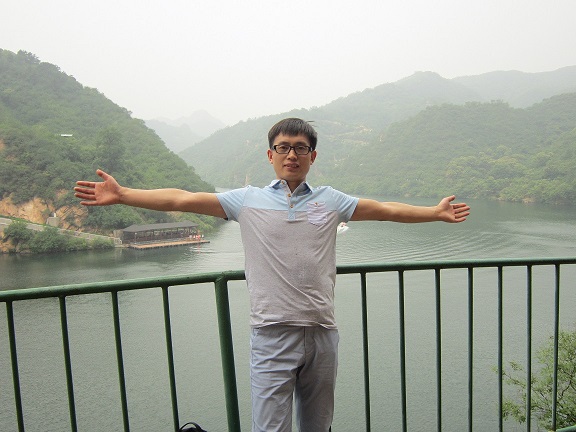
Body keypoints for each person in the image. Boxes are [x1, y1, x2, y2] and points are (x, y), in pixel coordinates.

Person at [75, 118, 470, 432]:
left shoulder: (331, 200)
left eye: (300, 148)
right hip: (272, 334)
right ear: (270, 155)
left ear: (312, 156)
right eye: (284, 147)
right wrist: (123, 194)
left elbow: (386, 210)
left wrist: (434, 213)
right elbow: (182, 198)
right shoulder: (246, 200)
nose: (292, 155)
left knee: (318, 426)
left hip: (322, 333)